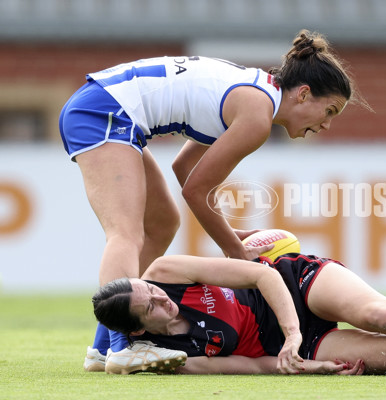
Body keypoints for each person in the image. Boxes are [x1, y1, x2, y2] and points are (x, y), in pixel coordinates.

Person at [59, 30, 365, 371]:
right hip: (104, 112)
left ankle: (103, 349)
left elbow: (185, 170)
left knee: (162, 223)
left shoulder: (255, 96)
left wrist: (231, 236)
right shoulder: (257, 116)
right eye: (329, 111)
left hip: (107, 109)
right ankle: (124, 345)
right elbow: (195, 189)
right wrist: (236, 253)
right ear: (304, 94)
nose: (326, 125)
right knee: (125, 234)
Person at [93, 253, 386, 376]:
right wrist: (308, 364)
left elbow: (261, 277)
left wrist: (289, 333)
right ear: (138, 329)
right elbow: (249, 366)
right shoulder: (175, 355)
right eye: (151, 305)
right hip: (288, 346)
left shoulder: (166, 270)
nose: (162, 297)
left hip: (293, 285)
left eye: (152, 290)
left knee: (379, 314)